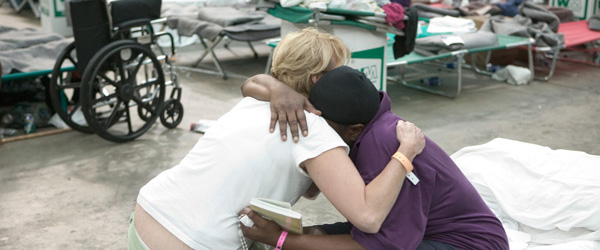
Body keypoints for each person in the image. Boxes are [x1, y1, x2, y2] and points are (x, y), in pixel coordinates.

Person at [127, 28, 426, 250]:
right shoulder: (312, 129)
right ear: (318, 80)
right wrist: (405, 154)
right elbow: (369, 217)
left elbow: (309, 189)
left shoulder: (254, 103)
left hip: (146, 217)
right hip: (195, 242)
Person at [239, 66, 510, 250]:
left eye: (322, 129)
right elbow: (315, 192)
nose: (316, 136)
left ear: (355, 130)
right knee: (313, 236)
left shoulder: (384, 144)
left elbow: (383, 244)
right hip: (420, 231)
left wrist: (281, 239)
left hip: (470, 244)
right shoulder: (367, 127)